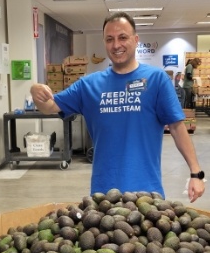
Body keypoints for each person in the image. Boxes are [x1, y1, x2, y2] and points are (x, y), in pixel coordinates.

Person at [30, 11, 205, 203]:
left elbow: (177, 128)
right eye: (109, 39)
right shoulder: (88, 85)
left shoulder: (156, 80)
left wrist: (196, 173)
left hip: (148, 193)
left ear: (136, 39)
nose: (116, 45)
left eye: (123, 37)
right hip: (103, 194)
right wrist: (35, 90)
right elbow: (48, 106)